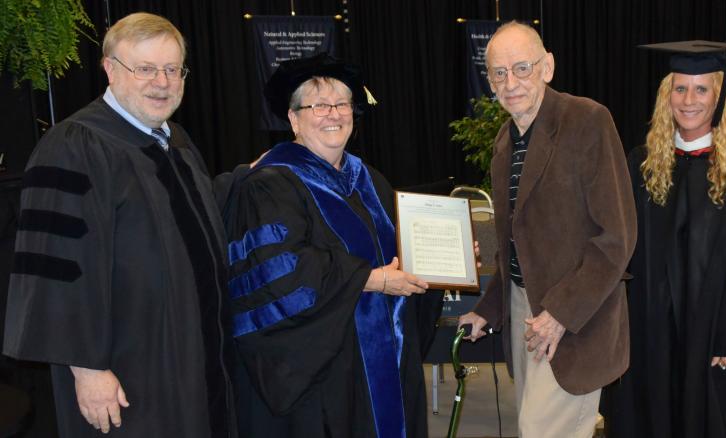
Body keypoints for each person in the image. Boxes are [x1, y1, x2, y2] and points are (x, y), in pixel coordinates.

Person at [2, 12, 237, 437]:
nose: (161, 82)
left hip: (191, 357)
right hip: (125, 370)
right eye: (144, 69)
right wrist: (87, 368)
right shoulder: (75, 146)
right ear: (110, 69)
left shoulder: (176, 142)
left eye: (171, 69)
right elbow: (59, 269)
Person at [222, 53, 440, 438]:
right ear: (293, 119)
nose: (333, 114)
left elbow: (402, 255)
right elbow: (279, 274)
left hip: (385, 354)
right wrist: (368, 280)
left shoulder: (370, 180)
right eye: (318, 105)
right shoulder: (269, 184)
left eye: (341, 104)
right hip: (323, 370)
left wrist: (443, 259)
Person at [602, 41, 726, 438]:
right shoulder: (642, 166)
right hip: (652, 332)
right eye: (679, 88)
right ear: (665, 97)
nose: (688, 100)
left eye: (701, 89)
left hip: (716, 338)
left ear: (722, 97)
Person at [457, 21, 636, 437]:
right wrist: (489, 308)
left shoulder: (587, 120)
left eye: (522, 68)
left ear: (548, 66)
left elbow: (617, 238)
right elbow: (513, 245)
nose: (511, 82)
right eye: (499, 73)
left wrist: (560, 314)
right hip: (524, 312)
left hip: (575, 317)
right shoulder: (505, 143)